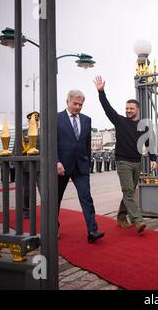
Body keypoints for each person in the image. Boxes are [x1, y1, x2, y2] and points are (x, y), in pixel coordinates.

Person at [93, 75, 157, 234]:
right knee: (128, 191)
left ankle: (121, 216)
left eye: (131, 108)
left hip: (137, 162)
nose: (128, 111)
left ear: (137, 110)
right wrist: (101, 92)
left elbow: (149, 144)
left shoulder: (144, 126)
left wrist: (153, 159)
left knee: (129, 191)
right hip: (123, 162)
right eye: (126, 108)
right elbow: (107, 108)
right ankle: (138, 220)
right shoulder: (120, 121)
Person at [57, 90, 104, 243]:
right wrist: (56, 162)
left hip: (81, 168)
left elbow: (87, 144)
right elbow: (50, 143)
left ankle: (92, 230)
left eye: (80, 104)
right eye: (75, 104)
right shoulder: (56, 119)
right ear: (67, 102)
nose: (77, 107)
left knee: (86, 198)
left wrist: (88, 162)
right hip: (61, 167)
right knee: (55, 199)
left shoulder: (87, 120)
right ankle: (53, 226)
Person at [22, 111, 40, 219]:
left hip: (40, 166)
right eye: (32, 120)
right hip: (26, 166)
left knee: (44, 190)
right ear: (28, 121)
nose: (35, 122)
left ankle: (47, 209)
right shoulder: (23, 133)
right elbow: (17, 149)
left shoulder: (43, 132)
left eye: (36, 120)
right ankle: (26, 210)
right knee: (26, 191)